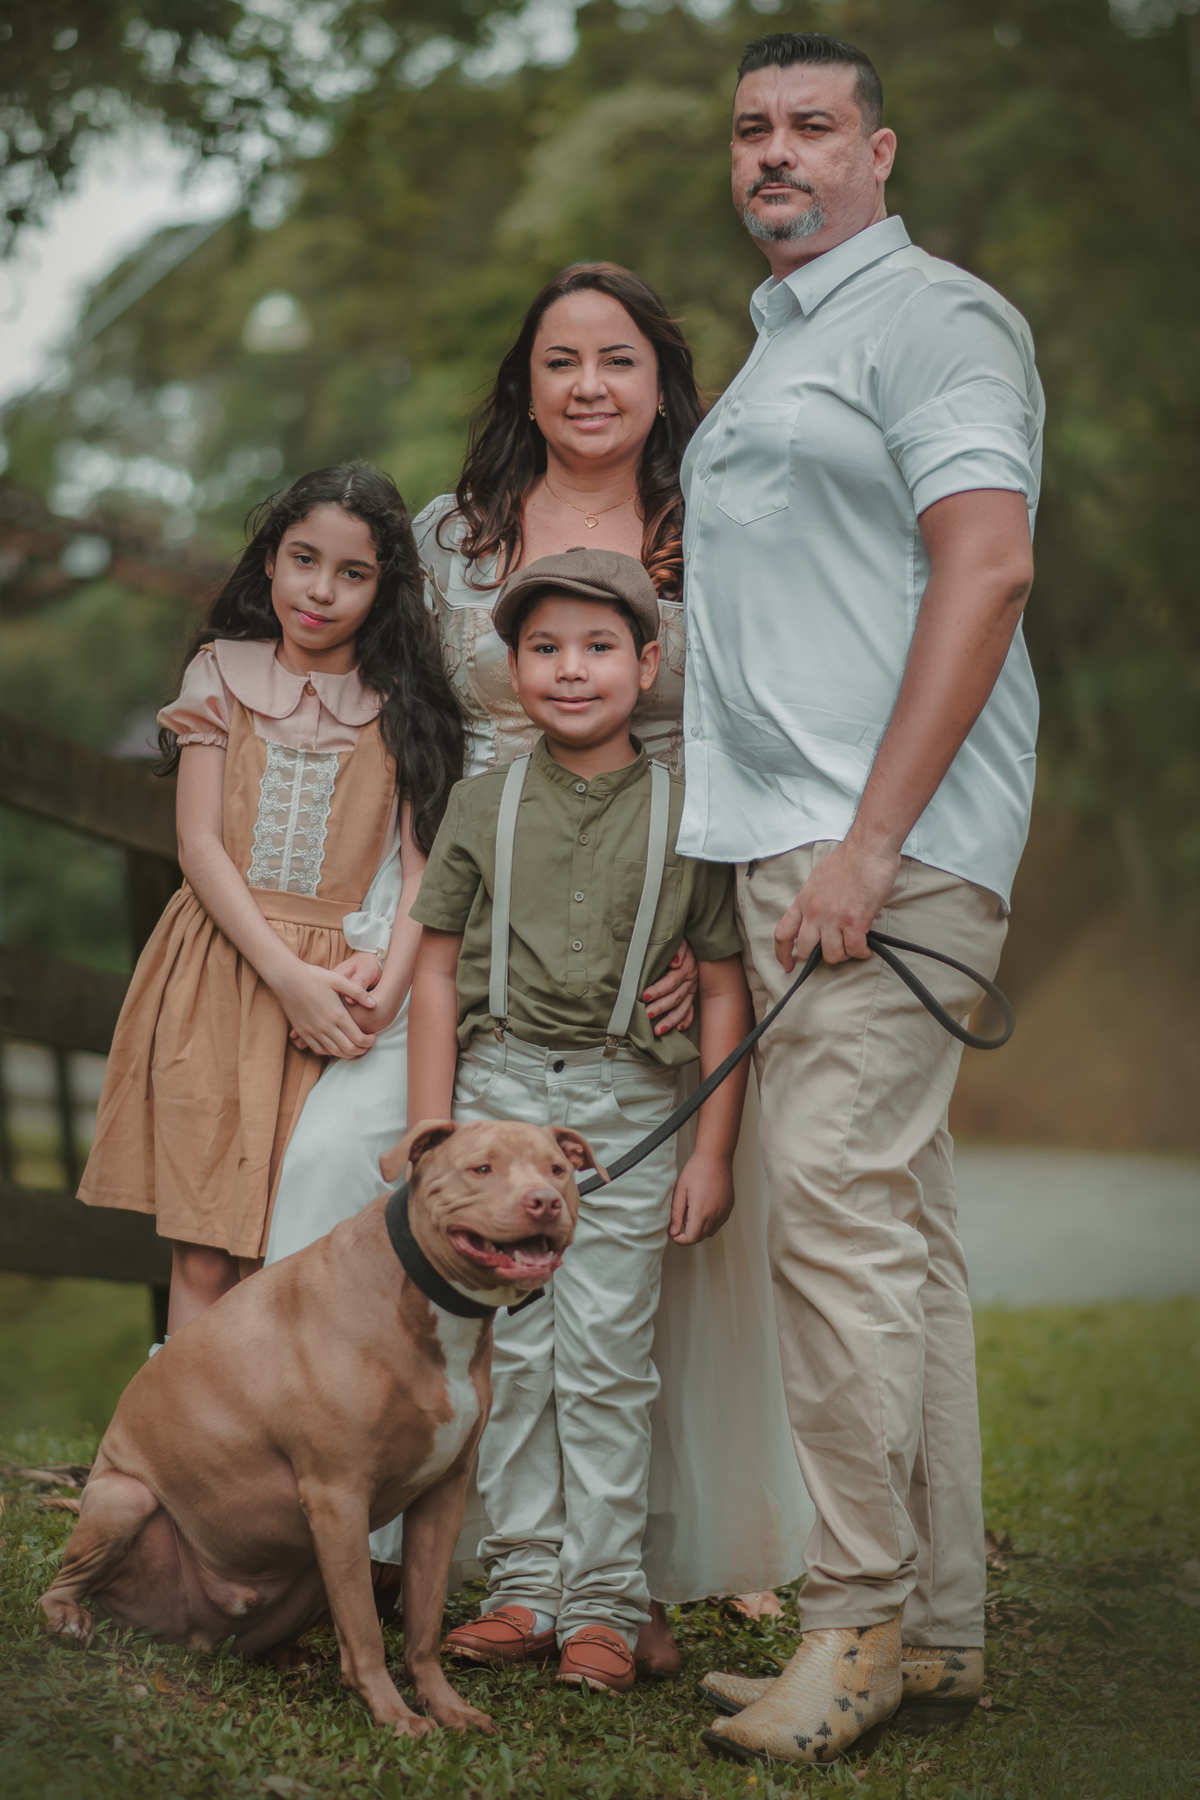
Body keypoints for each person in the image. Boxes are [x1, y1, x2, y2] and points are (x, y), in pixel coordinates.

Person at [265, 262, 813, 1634]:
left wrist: (703, 925)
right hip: (468, 893)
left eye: (618, 360)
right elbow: (396, 718)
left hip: (657, 898)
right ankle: (367, 1508)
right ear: (525, 381)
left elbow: (757, 728)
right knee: (345, 1150)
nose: (587, 387)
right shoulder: (456, 533)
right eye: (560, 361)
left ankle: (632, 1562)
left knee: (644, 1242)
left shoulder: (717, 527)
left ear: (661, 381)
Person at [687, 33, 1043, 1765]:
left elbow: (988, 566)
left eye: (812, 127)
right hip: (797, 848)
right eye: (752, 130)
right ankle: (943, 1629)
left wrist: (871, 838)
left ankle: (855, 1624)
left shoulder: (937, 321)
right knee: (899, 1230)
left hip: (882, 853)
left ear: (880, 152)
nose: (777, 153)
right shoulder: (776, 350)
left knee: (827, 1211)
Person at [407, 548, 754, 1693]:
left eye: (600, 647)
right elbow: (438, 969)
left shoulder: (690, 815)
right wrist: (431, 1137)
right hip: (497, 1099)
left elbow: (717, 986)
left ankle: (606, 1601)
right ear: (513, 668)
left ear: (649, 664)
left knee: (608, 1358)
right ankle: (521, 1587)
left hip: (628, 1106)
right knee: (514, 1349)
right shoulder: (481, 804)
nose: (571, 669)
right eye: (545, 649)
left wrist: (711, 1146)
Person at [78, 464, 463, 1334]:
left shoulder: (403, 708)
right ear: (269, 563)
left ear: (384, 587)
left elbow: (421, 873)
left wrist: (382, 1001)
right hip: (223, 970)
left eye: (352, 573)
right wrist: (288, 977)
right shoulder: (221, 674)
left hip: (339, 996)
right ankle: (185, 1451)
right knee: (206, 1242)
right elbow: (200, 848)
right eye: (303, 560)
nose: (320, 591)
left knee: (287, 1238)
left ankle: (274, 1449)